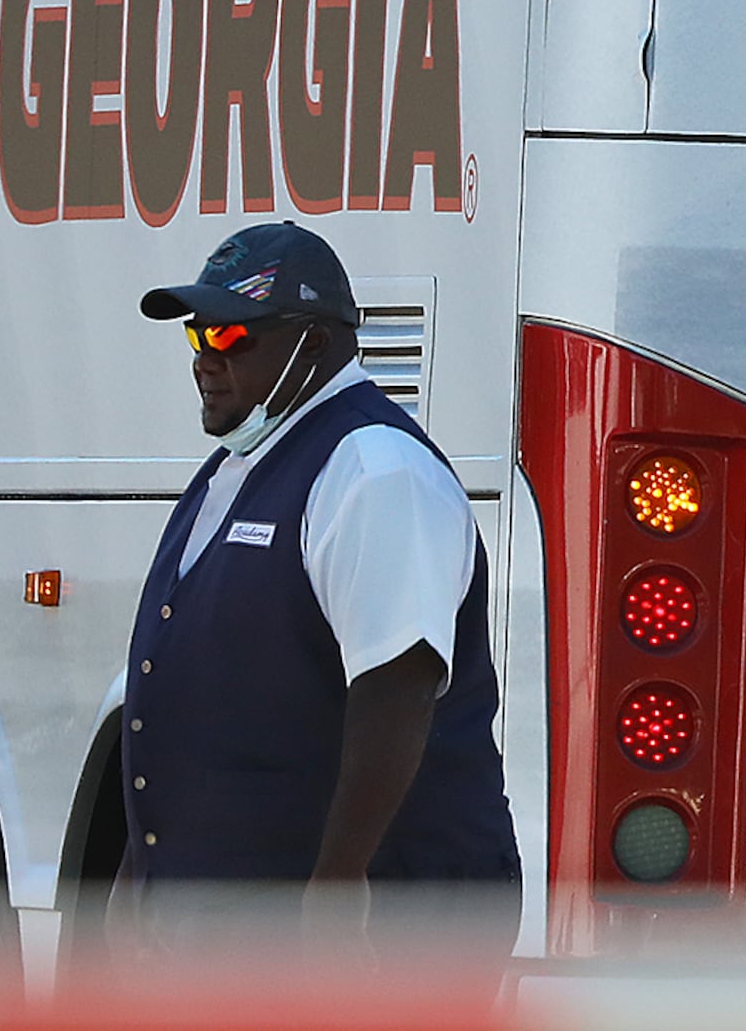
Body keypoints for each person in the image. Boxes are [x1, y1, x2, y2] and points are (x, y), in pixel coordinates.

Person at [118, 222, 520, 948]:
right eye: (196, 337)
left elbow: (396, 688)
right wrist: (139, 879)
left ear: (314, 340)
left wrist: (337, 885)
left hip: (382, 921)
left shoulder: (376, 470)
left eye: (231, 336)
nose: (206, 359)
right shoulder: (232, 472)